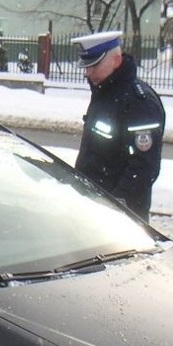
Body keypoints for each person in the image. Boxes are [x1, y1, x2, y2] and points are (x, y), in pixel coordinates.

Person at [71, 30, 165, 221]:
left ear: (115, 59)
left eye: (94, 65)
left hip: (119, 214)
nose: (88, 72)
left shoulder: (138, 101)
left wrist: (114, 203)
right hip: (93, 203)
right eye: (86, 66)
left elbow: (144, 167)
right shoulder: (104, 93)